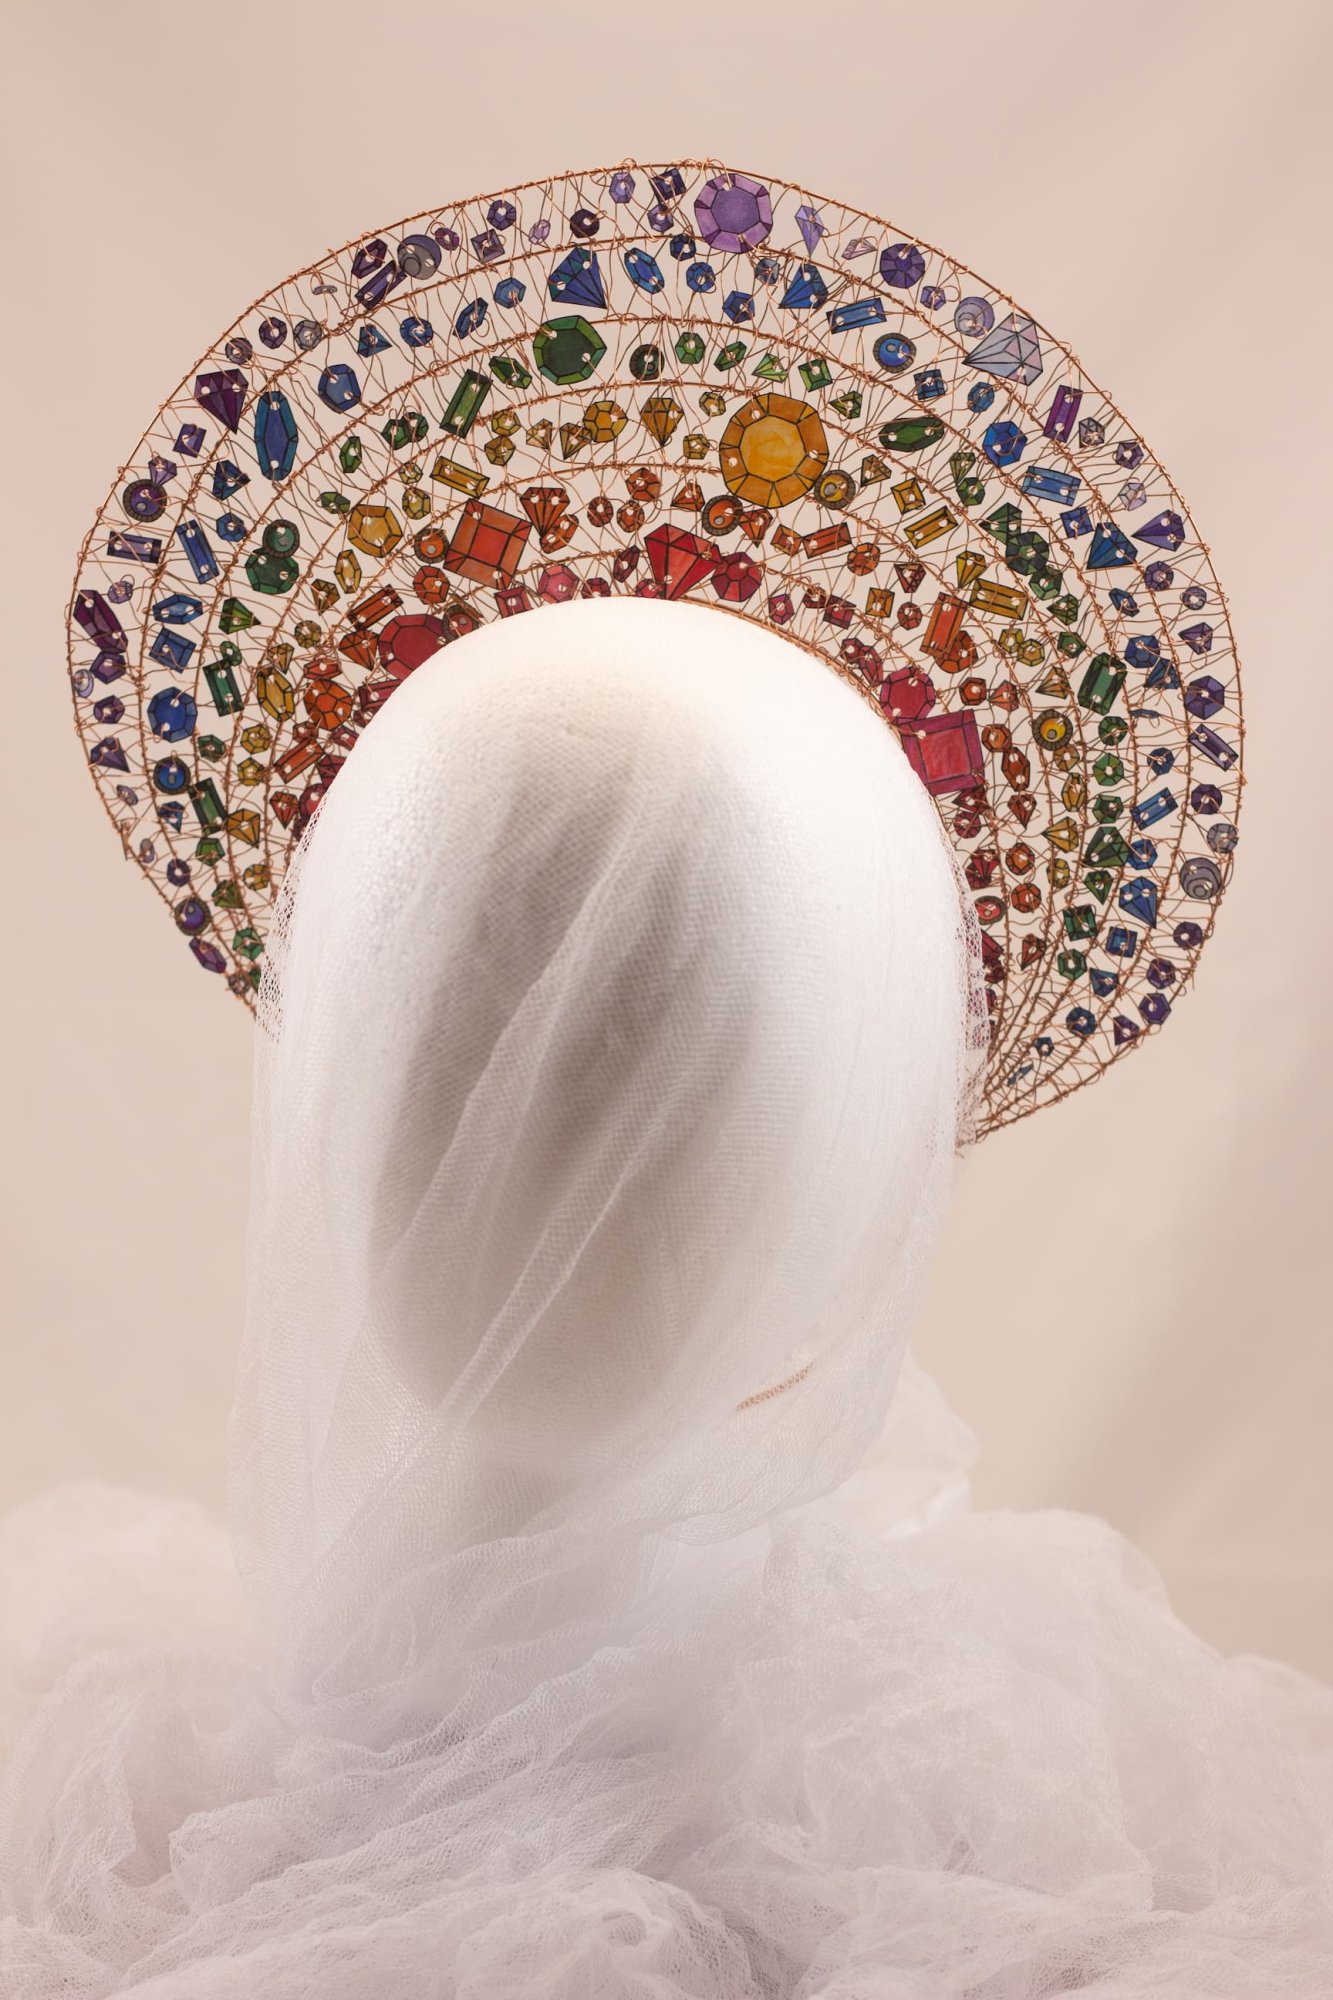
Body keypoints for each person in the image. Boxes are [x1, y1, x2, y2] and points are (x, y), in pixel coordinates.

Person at [2, 598, 1330, 1997]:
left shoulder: (989, 1841)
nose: (533, 1166)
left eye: (673, 1044)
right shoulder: (108, 1802)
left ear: (861, 1122)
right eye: (454, 1012)